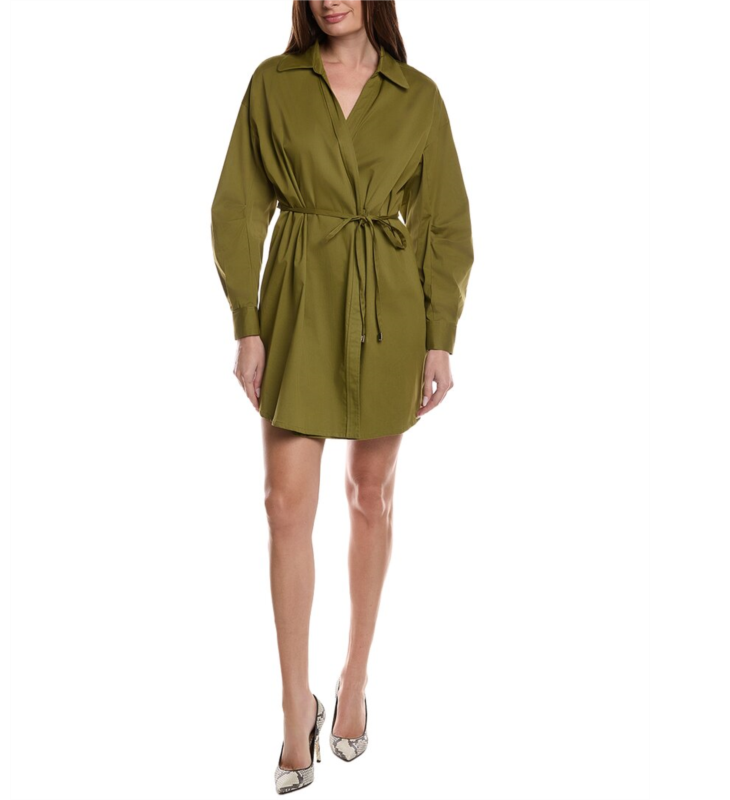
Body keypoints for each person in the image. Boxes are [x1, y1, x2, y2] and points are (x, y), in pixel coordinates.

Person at [210, 0, 474, 793]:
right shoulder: (273, 83)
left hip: (389, 308)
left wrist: (439, 335)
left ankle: (354, 679)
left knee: (370, 495)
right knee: (284, 505)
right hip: (298, 300)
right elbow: (238, 204)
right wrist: (247, 323)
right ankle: (296, 705)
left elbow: (444, 223)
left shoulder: (418, 96)